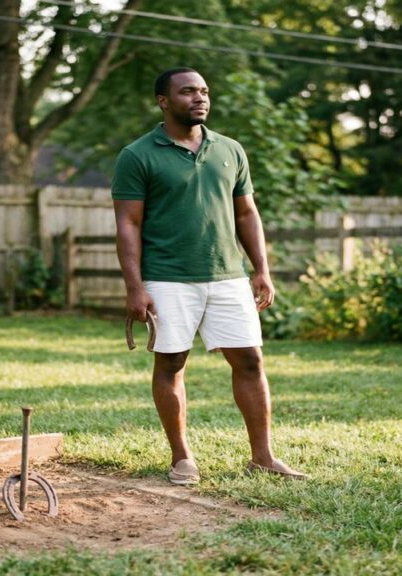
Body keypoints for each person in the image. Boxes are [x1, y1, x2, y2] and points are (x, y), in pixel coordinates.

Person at [111, 67, 307, 485]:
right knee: (171, 363)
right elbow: (128, 224)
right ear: (164, 101)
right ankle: (182, 458)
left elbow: (246, 213)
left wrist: (261, 270)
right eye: (187, 92)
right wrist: (135, 287)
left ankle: (263, 457)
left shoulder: (230, 150)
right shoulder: (138, 155)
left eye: (204, 91)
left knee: (251, 361)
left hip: (227, 276)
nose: (199, 98)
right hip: (167, 277)